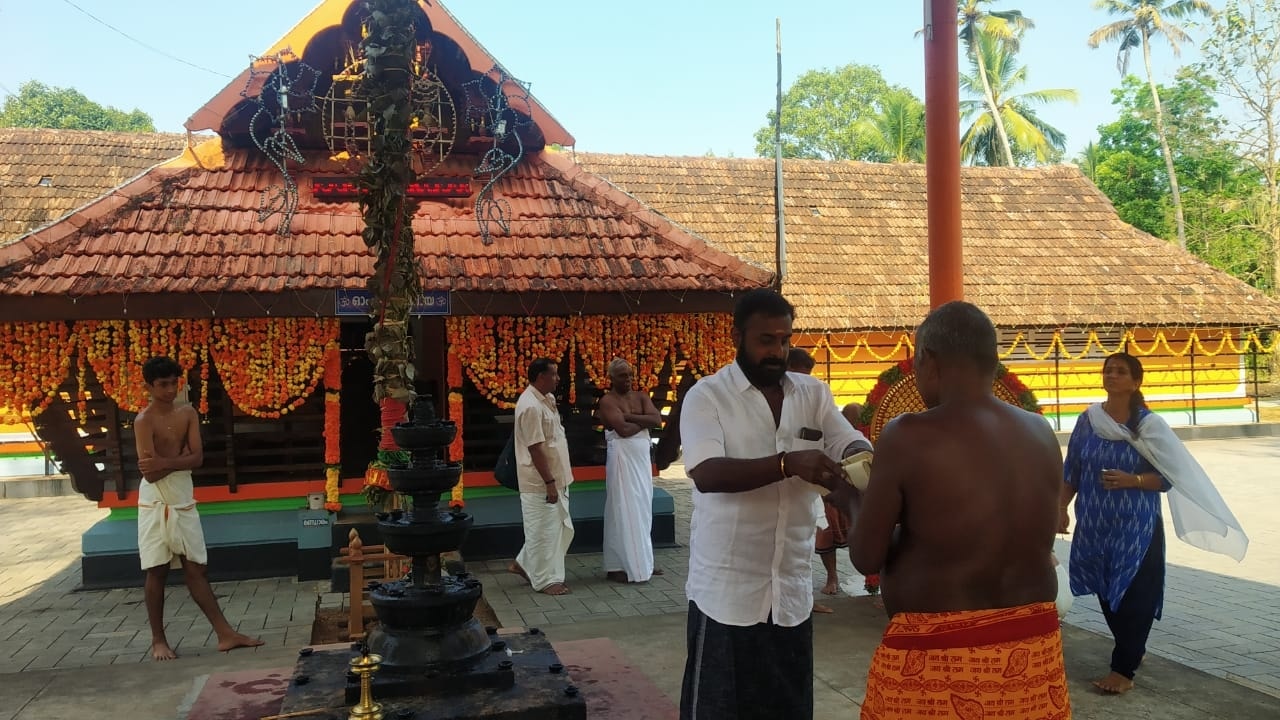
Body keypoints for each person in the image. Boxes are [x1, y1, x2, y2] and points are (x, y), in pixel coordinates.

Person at [850, 302, 1071, 719]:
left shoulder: (908, 434)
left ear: (930, 361)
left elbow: (866, 556)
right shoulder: (1040, 431)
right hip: (1032, 652)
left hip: (937, 660)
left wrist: (847, 496)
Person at [679, 289, 871, 720]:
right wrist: (787, 464)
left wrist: (862, 459)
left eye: (784, 340)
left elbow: (846, 440)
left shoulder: (812, 394)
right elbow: (707, 473)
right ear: (737, 337)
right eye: (766, 340)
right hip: (728, 594)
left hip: (790, 592)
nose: (777, 351)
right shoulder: (707, 397)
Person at [1061, 352, 1247, 694]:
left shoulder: (1148, 426)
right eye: (1107, 370)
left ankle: (1124, 669)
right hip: (1095, 524)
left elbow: (1169, 477)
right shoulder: (1088, 421)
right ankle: (1132, 647)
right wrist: (1061, 508)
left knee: (1135, 594)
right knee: (1105, 588)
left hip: (1136, 527)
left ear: (1135, 382)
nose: (1111, 375)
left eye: (1119, 371)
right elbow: (1072, 470)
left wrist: (1132, 480)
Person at [134, 356, 263, 661]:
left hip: (183, 496)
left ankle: (225, 634)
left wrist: (165, 462)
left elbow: (197, 459)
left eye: (173, 383)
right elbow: (149, 474)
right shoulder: (144, 420)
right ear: (150, 387)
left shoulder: (188, 412)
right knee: (157, 570)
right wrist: (175, 462)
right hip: (155, 502)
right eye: (162, 384)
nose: (169, 390)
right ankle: (158, 640)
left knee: (196, 568)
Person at [508, 358, 576, 596]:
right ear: (540, 378)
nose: (558, 379)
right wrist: (549, 483)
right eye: (554, 375)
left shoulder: (546, 400)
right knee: (543, 531)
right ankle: (547, 581)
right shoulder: (529, 406)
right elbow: (535, 448)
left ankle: (524, 564)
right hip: (540, 482)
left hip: (556, 478)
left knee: (555, 529)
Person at [785, 347, 844, 614]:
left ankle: (807, 596)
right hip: (774, 496)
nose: (804, 382)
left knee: (809, 542)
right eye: (799, 376)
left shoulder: (816, 396)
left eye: (809, 376)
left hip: (812, 490)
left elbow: (842, 436)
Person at [597, 357, 664, 583]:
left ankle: (642, 560)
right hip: (622, 460)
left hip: (641, 460)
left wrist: (630, 416)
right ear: (612, 378)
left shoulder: (641, 396)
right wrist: (643, 422)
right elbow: (623, 431)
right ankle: (619, 565)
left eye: (630, 375)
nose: (628, 379)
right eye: (623, 375)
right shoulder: (607, 401)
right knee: (623, 508)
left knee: (643, 508)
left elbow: (657, 419)